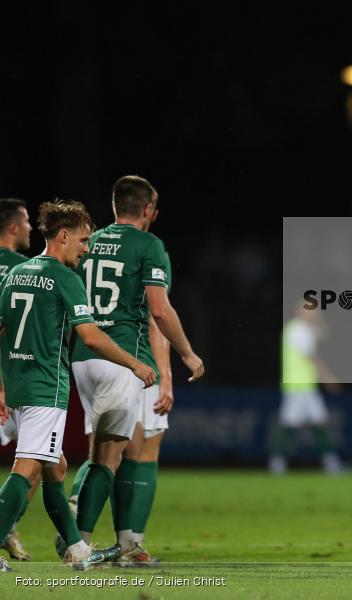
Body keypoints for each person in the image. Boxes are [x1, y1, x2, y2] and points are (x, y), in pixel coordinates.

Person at [0, 200, 156, 573]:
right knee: (27, 468)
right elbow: (91, 336)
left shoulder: (17, 273)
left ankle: (76, 548)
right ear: (64, 236)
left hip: (19, 384)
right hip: (45, 388)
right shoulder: (64, 278)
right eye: (83, 240)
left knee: (56, 466)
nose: (87, 249)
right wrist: (135, 364)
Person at [69, 176, 204, 568]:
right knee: (111, 455)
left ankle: (125, 541)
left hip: (83, 354)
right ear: (148, 210)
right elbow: (158, 311)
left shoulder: (88, 242)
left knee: (126, 444)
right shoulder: (148, 246)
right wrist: (187, 354)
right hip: (122, 357)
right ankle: (79, 543)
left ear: (115, 205)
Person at [271, 304, 344, 475]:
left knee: (319, 421)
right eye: (309, 309)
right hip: (297, 386)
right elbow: (311, 358)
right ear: (299, 311)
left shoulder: (305, 329)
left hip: (306, 386)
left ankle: (330, 463)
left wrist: (317, 319)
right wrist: (328, 378)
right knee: (290, 424)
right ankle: (277, 463)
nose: (313, 313)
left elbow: (325, 333)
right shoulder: (297, 330)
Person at [0, 199, 34, 561]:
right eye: (25, 222)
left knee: (49, 461)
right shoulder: (24, 271)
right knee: (44, 462)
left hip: (11, 380)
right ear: (12, 227)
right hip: (14, 378)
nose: (30, 228)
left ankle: (6, 527)